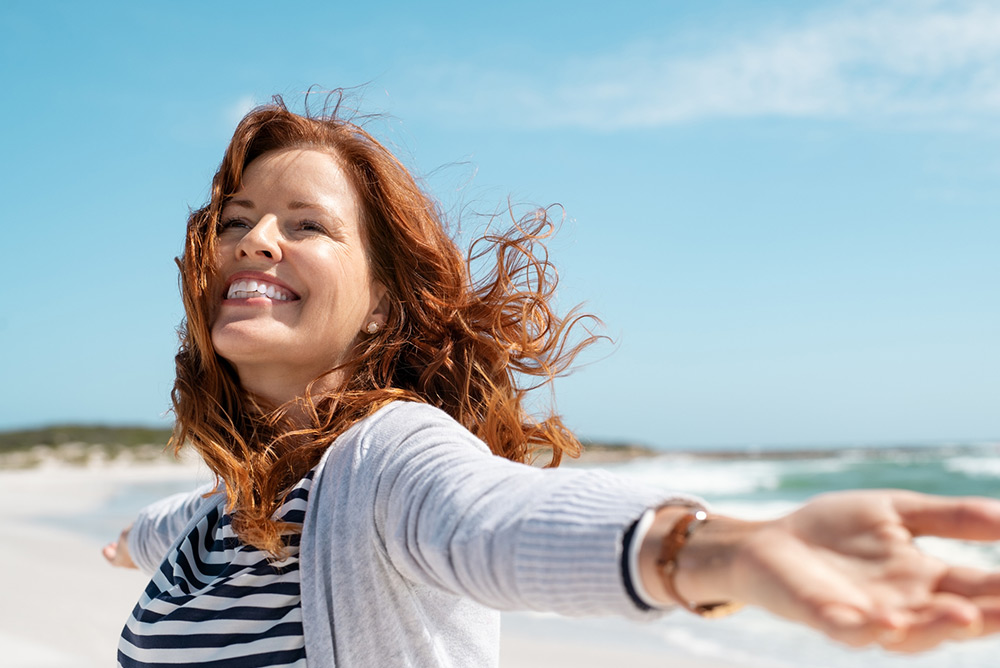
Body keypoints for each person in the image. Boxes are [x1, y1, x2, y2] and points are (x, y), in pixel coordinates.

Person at [105, 96, 1000, 667]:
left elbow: (495, 519)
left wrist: (718, 552)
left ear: (380, 307)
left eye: (308, 224)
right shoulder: (228, 507)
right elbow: (165, 526)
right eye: (238, 220)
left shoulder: (386, 459)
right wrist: (125, 541)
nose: (257, 240)